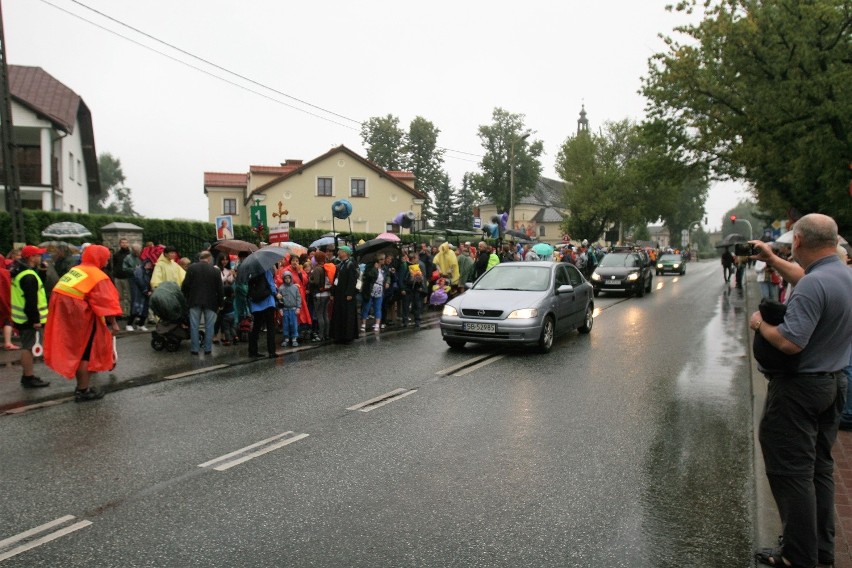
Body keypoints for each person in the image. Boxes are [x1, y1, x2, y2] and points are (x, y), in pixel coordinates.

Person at [748, 214, 852, 568]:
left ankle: (798, 555)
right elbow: (807, 279)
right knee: (819, 468)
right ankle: (821, 549)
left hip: (801, 389)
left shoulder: (813, 285)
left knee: (792, 472)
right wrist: (772, 259)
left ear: (798, 242)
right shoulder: (842, 274)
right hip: (834, 383)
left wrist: (761, 324)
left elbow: (791, 342)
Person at [44, 245, 122, 402]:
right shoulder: (97, 275)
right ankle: (82, 390)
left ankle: (82, 386)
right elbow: (106, 303)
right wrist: (113, 323)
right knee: (85, 352)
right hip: (80, 316)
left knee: (77, 350)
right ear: (98, 257)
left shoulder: (76, 270)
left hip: (65, 316)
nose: (107, 261)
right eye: (106, 258)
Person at [10, 245, 50, 388]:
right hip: (28, 319)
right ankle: (28, 377)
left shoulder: (21, 272)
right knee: (28, 347)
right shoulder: (28, 276)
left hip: (21, 317)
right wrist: (35, 320)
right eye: (39, 255)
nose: (41, 257)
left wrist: (43, 272)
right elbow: (31, 300)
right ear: (32, 257)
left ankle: (27, 376)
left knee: (28, 346)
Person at [181, 251, 223, 356]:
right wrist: (221, 303)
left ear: (200, 258)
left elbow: (185, 286)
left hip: (194, 301)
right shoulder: (215, 271)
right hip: (211, 302)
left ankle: (195, 349)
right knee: (209, 326)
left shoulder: (191, 268)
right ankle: (208, 349)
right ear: (209, 259)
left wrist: (187, 297)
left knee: (194, 325)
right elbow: (220, 289)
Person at [330, 245, 359, 344]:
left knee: (347, 315)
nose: (338, 253)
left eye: (340, 251)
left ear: (345, 253)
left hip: (346, 295)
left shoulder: (350, 264)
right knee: (339, 315)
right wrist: (333, 292)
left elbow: (352, 280)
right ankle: (339, 335)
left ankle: (347, 336)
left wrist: (350, 293)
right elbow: (335, 279)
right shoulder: (340, 264)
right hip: (339, 294)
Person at [247, 268, 277, 357]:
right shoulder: (266, 270)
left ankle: (253, 351)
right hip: (268, 302)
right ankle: (271, 351)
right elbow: (271, 285)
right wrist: (276, 294)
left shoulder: (250, 272)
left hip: (256, 304)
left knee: (256, 327)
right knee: (270, 327)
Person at [309, 251, 332, 342]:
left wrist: (309, 279)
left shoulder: (317, 269)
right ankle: (327, 334)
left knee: (319, 315)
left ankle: (320, 335)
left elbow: (316, 282)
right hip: (327, 293)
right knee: (325, 314)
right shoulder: (326, 267)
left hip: (318, 295)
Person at [359, 255, 386, 332]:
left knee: (378, 307)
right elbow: (369, 276)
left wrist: (387, 281)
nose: (383, 261)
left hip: (379, 290)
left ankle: (377, 324)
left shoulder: (384, 268)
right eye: (381, 259)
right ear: (377, 260)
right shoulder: (370, 267)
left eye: (384, 259)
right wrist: (375, 268)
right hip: (370, 290)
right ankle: (363, 324)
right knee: (366, 307)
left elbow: (387, 276)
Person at [128, 258, 153, 331]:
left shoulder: (149, 272)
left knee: (145, 309)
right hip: (138, 292)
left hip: (147, 292)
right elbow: (139, 280)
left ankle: (141, 324)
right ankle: (129, 324)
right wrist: (145, 290)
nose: (149, 265)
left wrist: (150, 290)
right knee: (136, 308)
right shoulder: (139, 270)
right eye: (148, 264)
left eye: (150, 264)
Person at [277, 271, 301, 347]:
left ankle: (294, 338)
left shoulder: (295, 288)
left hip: (293, 309)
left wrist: (298, 307)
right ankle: (286, 338)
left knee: (294, 324)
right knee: (285, 324)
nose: (287, 279)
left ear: (291, 278)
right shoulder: (281, 288)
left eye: (288, 278)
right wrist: (280, 309)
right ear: (283, 279)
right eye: (285, 278)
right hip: (285, 309)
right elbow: (279, 300)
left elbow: (298, 298)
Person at [122, 244, 142, 330]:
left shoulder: (141, 257)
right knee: (134, 299)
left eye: (139, 251)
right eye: (136, 252)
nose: (138, 253)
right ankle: (130, 321)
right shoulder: (128, 258)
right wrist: (134, 269)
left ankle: (139, 320)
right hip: (132, 280)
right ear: (133, 251)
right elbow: (124, 269)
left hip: (141, 280)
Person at [112, 238, 132, 319]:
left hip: (127, 277)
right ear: (120, 244)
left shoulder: (130, 254)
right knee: (120, 297)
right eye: (122, 243)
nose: (124, 244)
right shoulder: (116, 255)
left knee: (128, 296)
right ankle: (121, 312)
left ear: (128, 244)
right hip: (118, 277)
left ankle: (129, 312)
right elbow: (114, 265)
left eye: (125, 242)